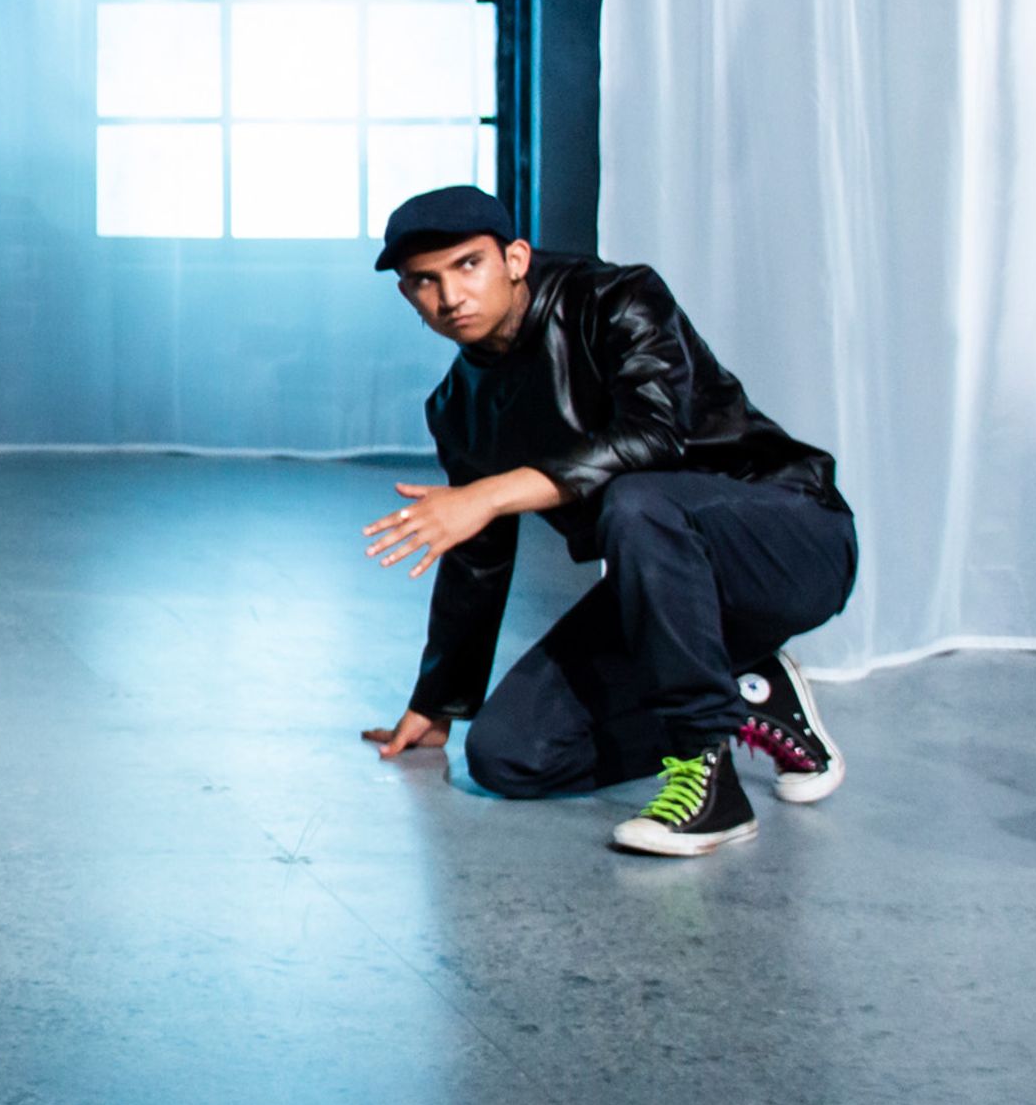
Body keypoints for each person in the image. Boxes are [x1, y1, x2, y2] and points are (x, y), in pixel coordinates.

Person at [356, 184, 854, 857]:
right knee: (509, 756)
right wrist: (439, 699)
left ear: (515, 258)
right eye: (424, 282)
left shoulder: (616, 299)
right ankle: (749, 688)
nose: (450, 298)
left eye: (468, 264)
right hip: (665, 589)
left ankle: (706, 777)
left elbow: (655, 437)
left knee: (638, 498)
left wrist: (490, 492)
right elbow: (479, 557)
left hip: (789, 540)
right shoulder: (457, 405)